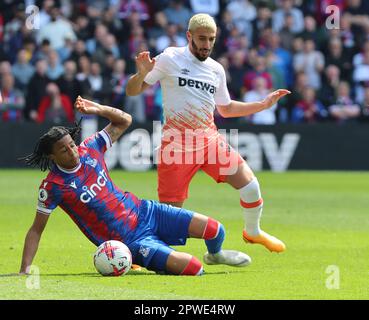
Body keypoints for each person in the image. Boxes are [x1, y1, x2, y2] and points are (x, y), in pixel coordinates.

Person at [19, 96, 251, 276]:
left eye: (71, 144)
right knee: (193, 268)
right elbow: (36, 229)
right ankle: (154, 259)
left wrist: (98, 109)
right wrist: (25, 269)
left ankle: (216, 254)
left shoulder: (90, 149)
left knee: (215, 230)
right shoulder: (53, 187)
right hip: (129, 241)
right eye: (64, 150)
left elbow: (125, 120)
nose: (72, 151)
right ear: (51, 156)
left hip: (146, 211)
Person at [126, 13, 290, 253]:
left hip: (209, 141)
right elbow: (132, 91)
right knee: (170, 220)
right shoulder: (170, 57)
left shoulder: (216, 69)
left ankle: (252, 232)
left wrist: (262, 105)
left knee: (251, 186)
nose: (206, 44)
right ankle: (138, 252)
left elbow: (226, 108)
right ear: (189, 36)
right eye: (202, 39)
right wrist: (141, 74)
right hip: (177, 146)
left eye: (211, 39)